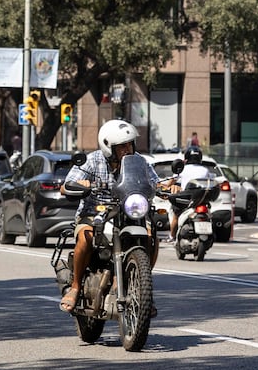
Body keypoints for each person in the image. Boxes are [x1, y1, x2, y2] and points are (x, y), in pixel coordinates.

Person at [59, 120, 174, 313]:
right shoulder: (92, 160)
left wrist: (168, 187)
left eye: (130, 144)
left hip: (129, 213)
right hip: (94, 212)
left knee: (152, 237)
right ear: (108, 147)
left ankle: (142, 290)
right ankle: (76, 286)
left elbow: (155, 182)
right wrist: (81, 185)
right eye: (122, 146)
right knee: (85, 238)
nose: (127, 149)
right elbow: (66, 185)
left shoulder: (139, 161)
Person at [168, 145, 216, 238]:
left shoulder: (182, 169)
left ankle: (172, 236)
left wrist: (167, 187)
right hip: (201, 199)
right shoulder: (205, 170)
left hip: (186, 199)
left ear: (186, 158)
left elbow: (170, 183)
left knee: (176, 214)